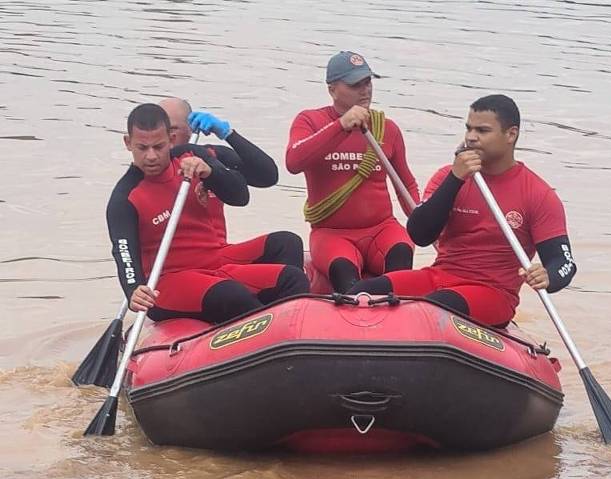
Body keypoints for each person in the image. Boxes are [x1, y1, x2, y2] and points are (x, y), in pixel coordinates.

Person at [349, 94, 577, 327]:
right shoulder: (448, 177)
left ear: (511, 134)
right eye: (468, 129)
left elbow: (564, 262)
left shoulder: (538, 194)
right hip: (440, 276)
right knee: (361, 292)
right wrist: (456, 179)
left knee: (430, 309)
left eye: (482, 130)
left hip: (493, 292)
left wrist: (547, 276)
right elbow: (420, 234)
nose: (471, 137)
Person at [108, 103, 309, 324]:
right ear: (128, 143)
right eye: (142, 148)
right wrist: (133, 290)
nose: (151, 156)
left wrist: (211, 173)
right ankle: (271, 333)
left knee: (292, 278)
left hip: (213, 262)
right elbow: (123, 253)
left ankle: (292, 333)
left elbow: (240, 197)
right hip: (168, 282)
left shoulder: (191, 156)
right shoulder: (125, 197)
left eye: (158, 146)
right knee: (233, 295)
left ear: (171, 139)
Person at [285, 51, 420, 293]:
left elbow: (405, 184)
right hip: (333, 234)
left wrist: (424, 223)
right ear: (332, 89)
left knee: (401, 251)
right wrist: (341, 126)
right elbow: (293, 162)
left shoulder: (386, 129)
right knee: (344, 274)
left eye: (368, 82)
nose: (365, 90)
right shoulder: (310, 121)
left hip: (381, 229)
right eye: (355, 84)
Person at [159, 97, 304, 270]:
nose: (169, 137)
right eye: (161, 130)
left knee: (287, 244)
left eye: (174, 129)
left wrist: (227, 134)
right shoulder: (150, 170)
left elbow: (268, 176)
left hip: (220, 254)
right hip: (181, 261)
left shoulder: (211, 155)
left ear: (190, 130)